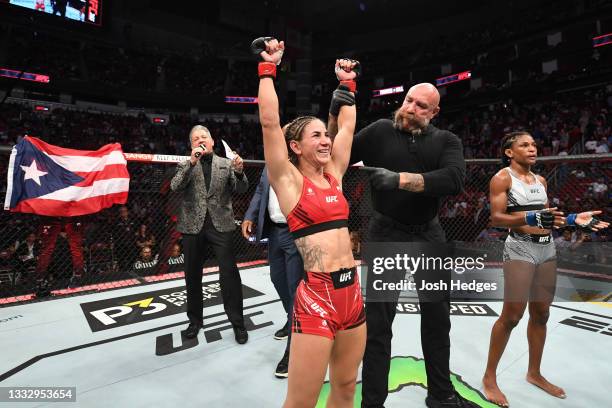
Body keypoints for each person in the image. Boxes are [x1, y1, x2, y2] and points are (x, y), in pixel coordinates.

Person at [343, 83, 472, 408]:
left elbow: (454, 179)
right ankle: (372, 402)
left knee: (437, 319)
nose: (412, 107)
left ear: (434, 112)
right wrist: (338, 110)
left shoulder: (446, 140)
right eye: (409, 100)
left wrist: (400, 179)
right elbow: (338, 155)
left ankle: (440, 395)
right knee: (378, 323)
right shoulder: (380, 131)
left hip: (428, 234)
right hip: (386, 232)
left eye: (422, 105)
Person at [255, 36, 365, 407]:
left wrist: (346, 83)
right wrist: (268, 68)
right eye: (316, 134)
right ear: (296, 147)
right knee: (301, 401)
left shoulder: (334, 173)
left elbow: (347, 127)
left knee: (347, 386)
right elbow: (270, 123)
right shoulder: (288, 181)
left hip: (352, 295)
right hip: (317, 297)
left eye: (325, 134)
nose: (325, 139)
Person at [482, 131, 609, 407]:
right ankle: (490, 378)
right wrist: (530, 216)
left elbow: (548, 219)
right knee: (512, 316)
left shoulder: (540, 181)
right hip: (520, 248)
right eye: (524, 145)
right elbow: (496, 218)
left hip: (546, 248)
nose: (532, 149)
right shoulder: (502, 178)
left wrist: (576, 219)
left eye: (533, 144)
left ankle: (534, 373)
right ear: (509, 152)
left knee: (541, 313)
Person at [170, 125, 249, 344]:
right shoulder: (185, 164)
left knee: (229, 274)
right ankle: (194, 321)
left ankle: (238, 323)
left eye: (204, 136)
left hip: (220, 225)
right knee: (192, 276)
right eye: (195, 138)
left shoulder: (226, 163)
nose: (200, 140)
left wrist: (240, 171)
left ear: (212, 141)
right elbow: (175, 186)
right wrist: (192, 162)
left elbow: (241, 188)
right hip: (192, 226)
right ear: (191, 144)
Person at [242, 165, 304, 378]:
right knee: (277, 278)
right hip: (276, 231)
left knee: (296, 289)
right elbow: (261, 190)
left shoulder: (303, 163)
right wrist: (250, 215)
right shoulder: (270, 163)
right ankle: (292, 318)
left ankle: (294, 349)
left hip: (296, 230)